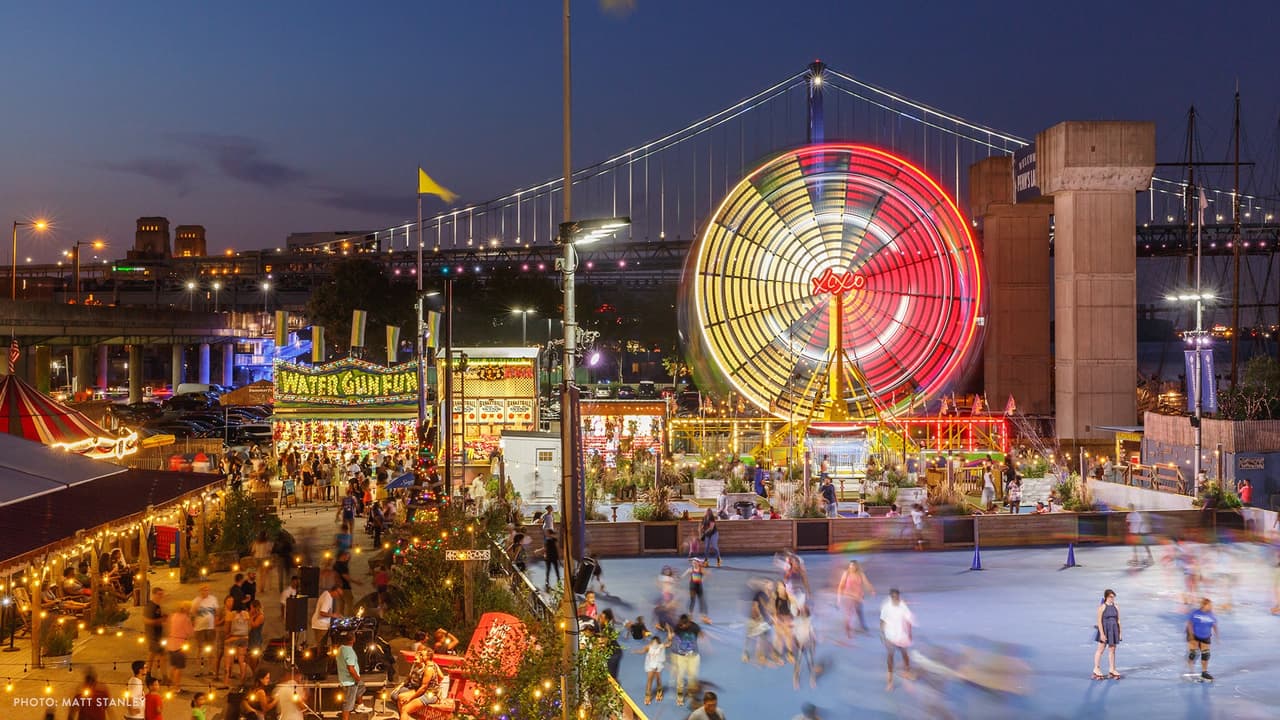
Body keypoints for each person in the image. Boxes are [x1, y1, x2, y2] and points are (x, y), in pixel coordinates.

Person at [879, 588, 915, 691]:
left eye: (897, 597)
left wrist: (909, 634)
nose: (896, 599)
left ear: (899, 596)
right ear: (890, 597)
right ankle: (890, 682)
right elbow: (882, 621)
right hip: (890, 636)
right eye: (893, 597)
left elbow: (909, 621)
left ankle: (907, 672)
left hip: (901, 636)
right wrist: (882, 634)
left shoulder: (903, 606)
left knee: (905, 654)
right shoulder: (886, 607)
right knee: (890, 657)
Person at [392, 646, 443, 713]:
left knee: (403, 704)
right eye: (420, 655)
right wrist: (400, 685)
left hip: (424, 691)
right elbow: (409, 678)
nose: (415, 659)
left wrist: (434, 686)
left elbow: (423, 687)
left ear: (427, 657)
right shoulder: (416, 665)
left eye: (421, 655)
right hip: (416, 688)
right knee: (394, 696)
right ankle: (403, 713)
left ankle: (404, 712)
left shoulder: (429, 668)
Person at [335, 632, 373, 720]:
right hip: (350, 681)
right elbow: (350, 668)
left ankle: (360, 705)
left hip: (345, 679)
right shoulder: (349, 651)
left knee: (362, 687)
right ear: (353, 640)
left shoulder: (341, 648)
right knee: (348, 704)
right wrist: (357, 678)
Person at [669, 614, 704, 708]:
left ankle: (690, 692)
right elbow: (675, 637)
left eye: (683, 625)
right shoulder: (678, 627)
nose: (681, 626)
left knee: (692, 676)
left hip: (693, 656)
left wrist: (703, 638)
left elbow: (701, 634)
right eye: (680, 624)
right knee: (680, 676)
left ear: (688, 623)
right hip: (681, 656)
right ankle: (680, 696)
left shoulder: (695, 627)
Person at [837, 559, 876, 637]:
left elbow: (866, 583)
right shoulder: (846, 573)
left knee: (859, 611)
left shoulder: (860, 574)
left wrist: (871, 590)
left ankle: (862, 625)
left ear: (856, 566)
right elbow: (841, 585)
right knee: (849, 614)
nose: (851, 567)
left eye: (853, 565)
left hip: (858, 596)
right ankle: (848, 631)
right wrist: (839, 597)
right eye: (850, 565)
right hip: (848, 596)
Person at [1091, 589, 1122, 680]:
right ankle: (1096, 668)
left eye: (1113, 597)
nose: (1112, 599)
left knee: (1112, 650)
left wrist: (1120, 633)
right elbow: (1099, 622)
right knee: (1101, 649)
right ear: (1106, 597)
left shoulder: (1116, 606)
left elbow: (1118, 620)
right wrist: (1102, 634)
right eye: (1110, 597)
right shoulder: (1102, 607)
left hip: (1113, 629)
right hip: (1104, 630)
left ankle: (1112, 669)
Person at [1185, 597, 1218, 681]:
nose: (1211, 606)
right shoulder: (1195, 613)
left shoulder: (1211, 614)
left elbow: (1214, 625)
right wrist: (1191, 635)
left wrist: (1216, 635)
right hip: (1194, 634)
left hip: (1206, 636)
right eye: (1209, 605)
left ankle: (1204, 673)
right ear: (1204, 605)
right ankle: (1191, 671)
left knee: (1206, 654)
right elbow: (1189, 624)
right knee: (1193, 654)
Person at [166, 601, 194, 694]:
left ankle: (170, 684)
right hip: (180, 645)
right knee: (179, 667)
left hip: (170, 643)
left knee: (173, 666)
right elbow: (190, 632)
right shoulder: (186, 619)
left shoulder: (173, 616)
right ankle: (176, 687)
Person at [635, 634, 668, 705]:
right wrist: (637, 651)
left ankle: (659, 693)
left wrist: (670, 637)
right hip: (650, 665)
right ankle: (647, 697)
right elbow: (643, 651)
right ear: (651, 642)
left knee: (658, 680)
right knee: (649, 680)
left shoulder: (661, 646)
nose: (654, 643)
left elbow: (669, 644)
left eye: (656, 642)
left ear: (658, 642)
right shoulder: (648, 647)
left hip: (658, 665)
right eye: (653, 642)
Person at [792, 605, 818, 690]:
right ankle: (795, 679)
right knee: (798, 663)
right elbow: (793, 634)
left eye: (805, 611)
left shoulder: (809, 621)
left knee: (811, 663)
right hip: (799, 645)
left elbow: (813, 635)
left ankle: (812, 679)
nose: (803, 612)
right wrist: (796, 644)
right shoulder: (796, 621)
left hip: (808, 644)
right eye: (802, 611)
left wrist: (813, 645)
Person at [144, 588, 167, 682]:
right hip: (152, 635)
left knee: (155, 655)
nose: (161, 596)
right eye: (159, 594)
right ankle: (161, 676)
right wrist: (160, 620)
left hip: (158, 634)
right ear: (153, 595)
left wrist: (163, 618)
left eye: (162, 594)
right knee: (158, 655)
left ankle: (150, 675)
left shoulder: (157, 606)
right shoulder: (150, 606)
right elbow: (146, 620)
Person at [685, 556, 711, 623]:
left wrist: (702, 579)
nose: (693, 563)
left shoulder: (701, 569)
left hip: (699, 587)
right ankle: (690, 615)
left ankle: (703, 617)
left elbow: (708, 574)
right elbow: (684, 575)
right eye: (693, 562)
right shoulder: (690, 569)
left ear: (698, 563)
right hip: (692, 587)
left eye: (695, 562)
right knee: (692, 601)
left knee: (701, 601)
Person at [541, 507, 561, 589]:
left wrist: (542, 552)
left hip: (551, 557)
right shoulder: (545, 515)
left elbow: (545, 548)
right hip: (552, 556)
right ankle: (554, 580)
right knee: (552, 569)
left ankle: (549, 581)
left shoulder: (550, 540)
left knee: (551, 569)